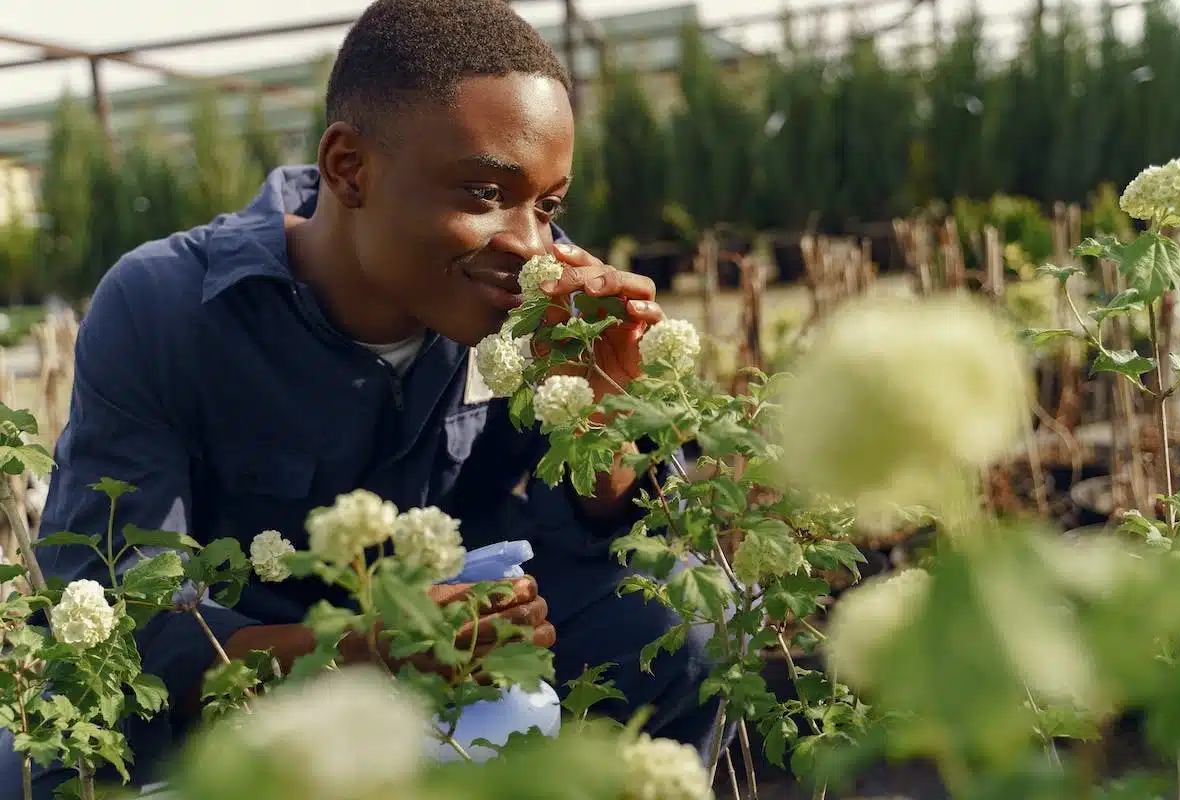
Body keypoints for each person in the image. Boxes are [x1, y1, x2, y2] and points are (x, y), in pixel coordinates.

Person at [0, 0, 728, 795]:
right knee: (44, 762)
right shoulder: (167, 307)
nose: (531, 243)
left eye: (548, 204)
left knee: (676, 615)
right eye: (485, 192)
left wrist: (605, 413)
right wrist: (360, 653)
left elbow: (619, 541)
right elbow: (120, 617)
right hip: (234, 701)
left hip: (467, 672)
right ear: (349, 169)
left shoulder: (533, 313)